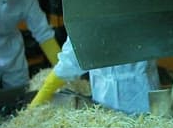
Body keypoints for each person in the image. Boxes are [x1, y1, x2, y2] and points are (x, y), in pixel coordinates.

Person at [30, 37, 160, 115]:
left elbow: (73, 57)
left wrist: (47, 88)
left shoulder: (92, 4)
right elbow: (75, 50)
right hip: (136, 95)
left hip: (138, 96)